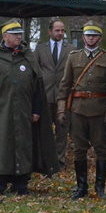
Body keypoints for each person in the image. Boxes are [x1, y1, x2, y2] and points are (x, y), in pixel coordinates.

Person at [0, 19, 59, 194]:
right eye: (15, 34)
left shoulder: (27, 55)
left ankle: (21, 181)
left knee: (23, 145)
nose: (18, 37)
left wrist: (37, 110)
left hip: (24, 112)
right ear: (5, 36)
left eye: (20, 34)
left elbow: (38, 85)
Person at [57, 21, 106, 199]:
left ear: (99, 37)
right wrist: (61, 110)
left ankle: (100, 188)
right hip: (77, 110)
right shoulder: (73, 57)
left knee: (101, 149)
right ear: (83, 37)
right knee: (79, 149)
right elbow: (64, 85)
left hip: (100, 110)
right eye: (88, 35)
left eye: (94, 35)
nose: (90, 38)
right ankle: (81, 187)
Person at [35, 18, 75, 168]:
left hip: (63, 96)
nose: (60, 33)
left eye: (62, 30)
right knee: (44, 129)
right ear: (50, 31)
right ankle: (44, 159)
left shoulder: (71, 49)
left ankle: (60, 160)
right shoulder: (40, 49)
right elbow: (36, 71)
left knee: (62, 129)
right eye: (57, 30)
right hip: (45, 95)